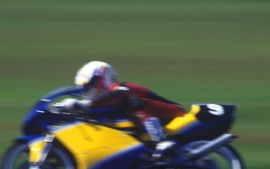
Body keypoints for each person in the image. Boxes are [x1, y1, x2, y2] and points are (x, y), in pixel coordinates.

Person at [53, 61, 186, 158]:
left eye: (89, 85)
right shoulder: (103, 98)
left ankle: (160, 141)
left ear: (100, 78)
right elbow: (90, 106)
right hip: (148, 122)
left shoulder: (119, 88)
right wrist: (61, 107)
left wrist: (84, 105)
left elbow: (118, 93)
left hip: (171, 112)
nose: (86, 90)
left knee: (133, 102)